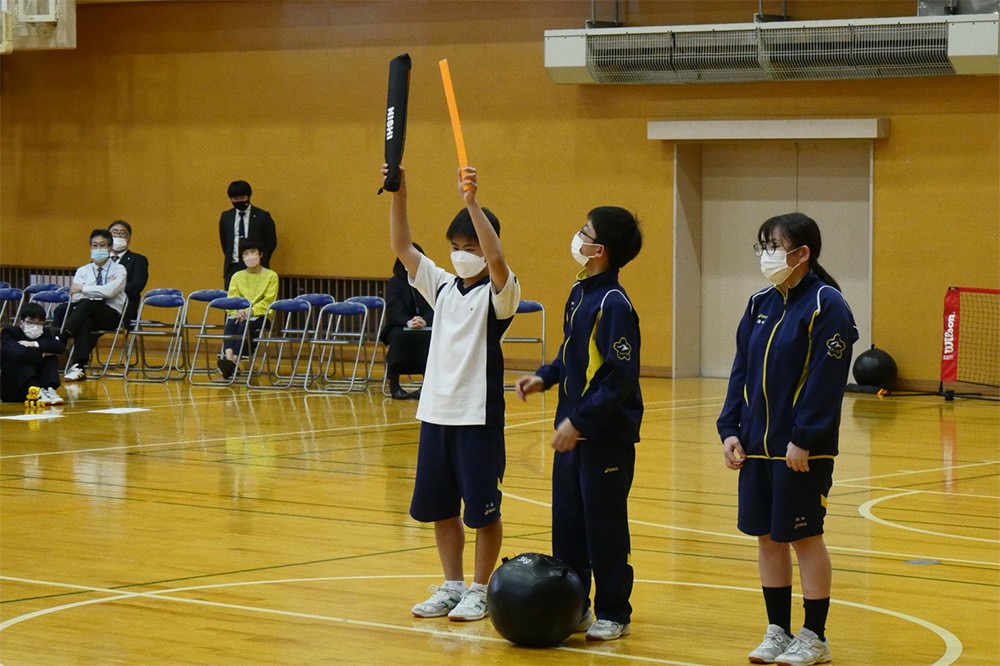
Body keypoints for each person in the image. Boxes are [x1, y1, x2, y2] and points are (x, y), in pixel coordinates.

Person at [716, 212, 858, 666]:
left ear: (803, 253)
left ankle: (814, 636)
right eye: (763, 246)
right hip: (756, 447)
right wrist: (730, 428)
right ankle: (777, 629)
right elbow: (741, 371)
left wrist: (804, 438)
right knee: (767, 538)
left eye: (775, 246)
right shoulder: (759, 302)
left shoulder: (827, 305)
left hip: (800, 452)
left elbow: (825, 380)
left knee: (804, 538)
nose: (767, 255)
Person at [384, 162, 520, 622]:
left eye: (471, 248)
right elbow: (402, 246)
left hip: (477, 418)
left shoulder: (501, 294)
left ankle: (481, 589)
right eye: (456, 248)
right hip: (436, 414)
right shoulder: (441, 285)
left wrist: (472, 204)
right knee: (441, 510)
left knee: (481, 511)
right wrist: (400, 190)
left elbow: (499, 261)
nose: (462, 255)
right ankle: (453, 584)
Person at [514, 207, 643, 642]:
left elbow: (619, 377)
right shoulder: (579, 291)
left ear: (599, 249)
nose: (576, 236)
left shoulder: (614, 303)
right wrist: (545, 376)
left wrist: (580, 420)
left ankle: (613, 611)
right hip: (572, 432)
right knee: (567, 524)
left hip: (603, 437)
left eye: (583, 232)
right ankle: (576, 605)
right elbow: (572, 352)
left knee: (603, 526)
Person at [62, 229, 128, 381]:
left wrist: (85, 288)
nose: (98, 249)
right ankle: (79, 366)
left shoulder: (119, 270)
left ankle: (62, 337)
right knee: (81, 313)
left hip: (109, 314)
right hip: (87, 312)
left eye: (102, 245)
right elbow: (75, 294)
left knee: (87, 305)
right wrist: (94, 292)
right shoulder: (82, 271)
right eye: (95, 245)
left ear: (110, 248)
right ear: (90, 247)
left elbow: (109, 292)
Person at [216, 238, 278, 379]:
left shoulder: (271, 276)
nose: (249, 256)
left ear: (260, 254)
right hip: (239, 313)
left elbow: (268, 300)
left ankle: (233, 361)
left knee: (244, 324)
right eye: (245, 253)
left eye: (253, 252)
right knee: (231, 322)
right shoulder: (237, 276)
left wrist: (251, 310)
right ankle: (229, 358)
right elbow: (232, 298)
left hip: (260, 315)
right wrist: (238, 310)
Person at [381, 243, 434, 400]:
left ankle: (427, 385)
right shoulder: (394, 283)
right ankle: (395, 385)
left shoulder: (430, 282)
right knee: (398, 337)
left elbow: (436, 305)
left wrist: (424, 321)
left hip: (426, 326)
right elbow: (394, 307)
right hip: (400, 326)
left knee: (430, 338)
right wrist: (407, 322)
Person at [1, 303, 66, 405]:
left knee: (51, 358)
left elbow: (59, 347)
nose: (35, 327)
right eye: (30, 322)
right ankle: (36, 391)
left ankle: (48, 389)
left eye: (39, 323)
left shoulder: (45, 333)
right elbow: (17, 353)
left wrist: (34, 344)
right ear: (21, 322)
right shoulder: (10, 332)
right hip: (15, 387)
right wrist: (42, 353)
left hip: (40, 381)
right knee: (21, 360)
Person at [219, 180, 278, 289]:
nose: (239, 201)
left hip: (257, 267)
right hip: (233, 267)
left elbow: (271, 242)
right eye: (235, 199)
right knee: (233, 301)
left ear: (249, 196)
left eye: (242, 198)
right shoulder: (226, 217)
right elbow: (225, 243)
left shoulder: (262, 216)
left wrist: (257, 258)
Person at [109, 220, 150, 330]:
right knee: (64, 310)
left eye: (122, 233)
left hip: (124, 304)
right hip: (98, 303)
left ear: (129, 238)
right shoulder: (100, 260)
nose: (118, 236)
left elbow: (136, 285)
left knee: (87, 316)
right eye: (115, 232)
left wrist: (110, 292)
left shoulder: (138, 260)